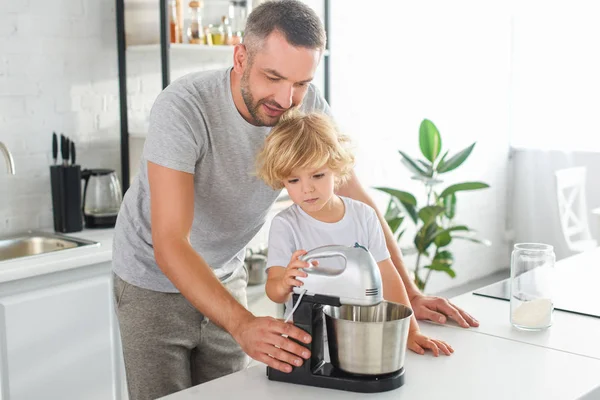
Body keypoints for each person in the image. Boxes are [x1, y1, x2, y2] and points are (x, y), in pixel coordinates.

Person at [112, 1, 476, 399]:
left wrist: (410, 297)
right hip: (151, 281)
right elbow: (170, 242)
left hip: (225, 274)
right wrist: (242, 324)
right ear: (240, 57)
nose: (287, 99)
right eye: (273, 77)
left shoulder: (307, 105)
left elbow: (358, 203)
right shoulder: (184, 107)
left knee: (232, 393)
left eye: (301, 83)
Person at [258, 110, 453, 356]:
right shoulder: (285, 225)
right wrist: (285, 282)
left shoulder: (363, 216)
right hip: (308, 343)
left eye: (318, 175)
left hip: (363, 334)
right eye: (293, 180)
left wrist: (411, 331)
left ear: (336, 168)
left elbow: (388, 275)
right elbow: (273, 290)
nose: (307, 189)